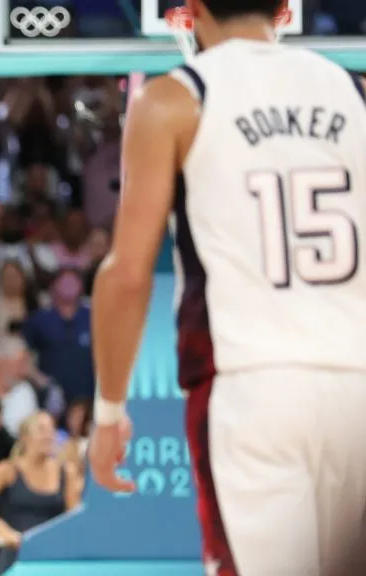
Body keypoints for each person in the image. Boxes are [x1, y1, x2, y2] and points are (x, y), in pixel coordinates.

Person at [87, 1, 366, 575]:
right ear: (288, 10)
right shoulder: (355, 91)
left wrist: (109, 410)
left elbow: (128, 274)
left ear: (188, 12)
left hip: (253, 383)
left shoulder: (174, 98)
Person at [0, 411, 83, 576]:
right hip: (16, 555)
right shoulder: (8, 469)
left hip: (52, 555)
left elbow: (73, 515)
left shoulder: (65, 471)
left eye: (52, 429)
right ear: (25, 438)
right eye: (42, 429)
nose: (49, 435)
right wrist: (4, 531)